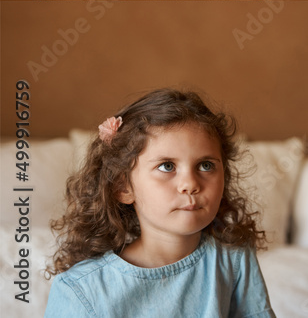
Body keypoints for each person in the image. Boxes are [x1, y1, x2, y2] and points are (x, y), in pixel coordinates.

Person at [45, 89, 274, 317]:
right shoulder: (80, 290)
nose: (190, 184)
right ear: (123, 187)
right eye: (167, 166)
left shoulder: (232, 256)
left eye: (205, 165)